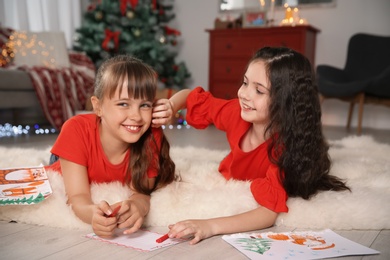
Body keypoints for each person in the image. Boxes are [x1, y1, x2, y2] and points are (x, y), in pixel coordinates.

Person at [152, 47, 351, 244]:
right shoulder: (235, 113)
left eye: (258, 90)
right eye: (245, 83)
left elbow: (268, 213)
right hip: (232, 175)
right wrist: (171, 105)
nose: (244, 94)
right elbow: (190, 97)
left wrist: (209, 226)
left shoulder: (283, 151)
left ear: (285, 101)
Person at [48, 55, 176, 238]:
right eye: (123, 104)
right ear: (98, 106)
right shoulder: (75, 129)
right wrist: (93, 214)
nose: (136, 116)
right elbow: (77, 197)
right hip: (71, 155)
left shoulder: (151, 136)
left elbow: (142, 192)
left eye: (145, 105)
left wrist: (138, 206)